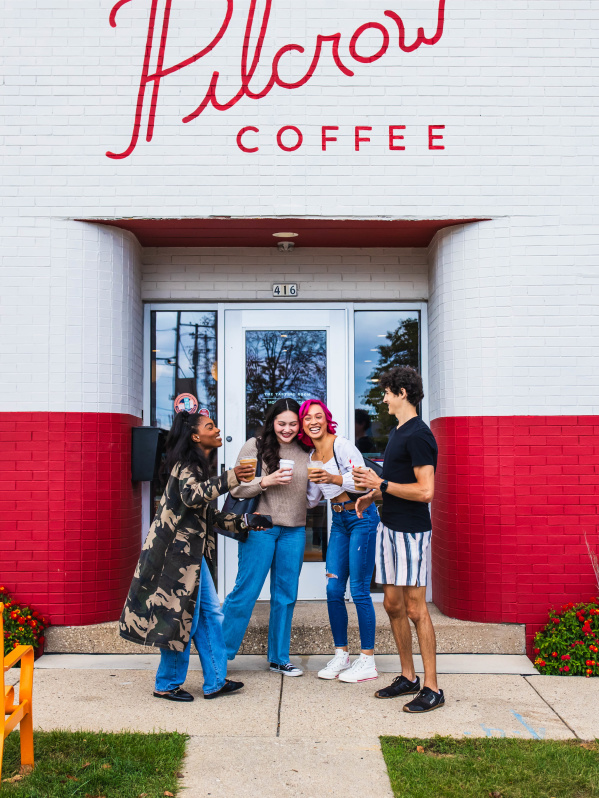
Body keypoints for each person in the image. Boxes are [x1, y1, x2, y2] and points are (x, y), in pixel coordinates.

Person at [119, 409, 265, 701]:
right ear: (197, 436)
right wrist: (232, 477)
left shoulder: (196, 466)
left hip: (191, 558)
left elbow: (205, 513)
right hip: (176, 559)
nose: (217, 430)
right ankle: (167, 683)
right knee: (180, 616)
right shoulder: (187, 465)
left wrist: (245, 522)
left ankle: (215, 680)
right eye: (210, 426)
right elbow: (192, 496)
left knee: (210, 614)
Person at [354, 366, 444, 713]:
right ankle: (408, 676)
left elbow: (425, 492)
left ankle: (433, 687)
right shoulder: (398, 432)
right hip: (389, 528)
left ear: (403, 393)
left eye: (388, 392)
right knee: (392, 605)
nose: (384, 398)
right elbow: (394, 484)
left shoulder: (420, 435)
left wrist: (382, 486)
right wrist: (373, 496)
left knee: (415, 608)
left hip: (411, 533)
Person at [222, 398, 312, 677]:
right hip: (261, 525)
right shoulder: (255, 445)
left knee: (285, 596)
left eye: (293, 424)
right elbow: (236, 488)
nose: (287, 429)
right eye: (281, 423)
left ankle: (279, 658)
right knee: (246, 591)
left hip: (294, 529)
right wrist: (266, 481)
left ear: (300, 424)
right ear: (272, 422)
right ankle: (219, 654)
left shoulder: (306, 448)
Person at [300, 399, 380, 683]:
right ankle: (341, 655)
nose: (313, 421)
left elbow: (365, 483)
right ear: (303, 424)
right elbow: (313, 499)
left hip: (361, 517)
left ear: (326, 419)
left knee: (358, 589)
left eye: (318, 416)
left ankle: (367, 660)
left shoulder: (342, 446)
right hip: (339, 521)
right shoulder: (311, 458)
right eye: (307, 417)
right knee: (334, 589)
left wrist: (333, 477)